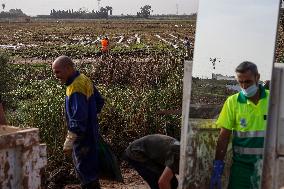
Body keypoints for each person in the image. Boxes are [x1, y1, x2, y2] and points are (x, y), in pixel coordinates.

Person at [209, 61, 269, 189]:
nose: (244, 86)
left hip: (269, 167)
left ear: (257, 78)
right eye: (240, 82)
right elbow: (223, 137)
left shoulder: (273, 99)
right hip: (242, 170)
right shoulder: (232, 102)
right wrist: (217, 167)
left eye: (247, 82)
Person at [52, 56, 104, 189]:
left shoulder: (75, 87)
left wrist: (70, 139)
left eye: (58, 72)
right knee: (90, 171)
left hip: (82, 137)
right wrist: (91, 116)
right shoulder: (84, 79)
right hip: (91, 132)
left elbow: (78, 118)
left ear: (68, 68)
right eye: (54, 72)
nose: (56, 76)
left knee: (85, 172)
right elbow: (99, 101)